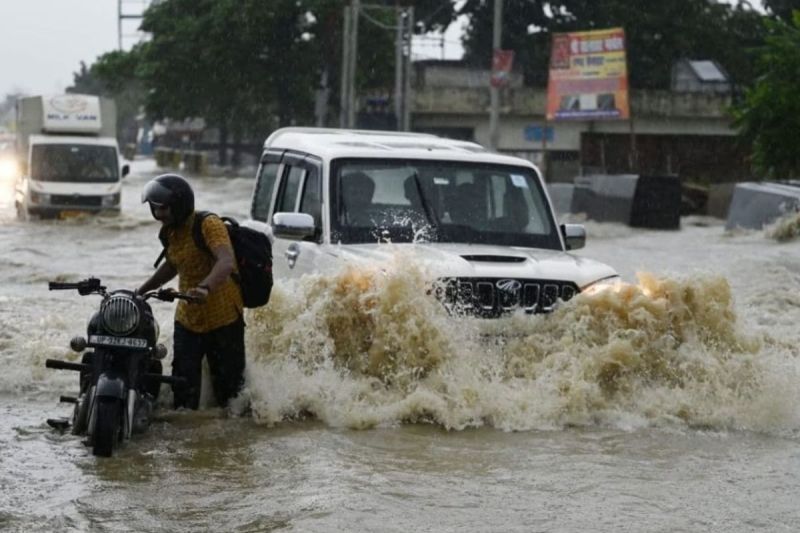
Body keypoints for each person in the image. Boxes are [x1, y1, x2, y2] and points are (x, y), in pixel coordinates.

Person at [137, 173, 245, 410]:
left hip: (223, 317)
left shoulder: (208, 224)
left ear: (179, 206)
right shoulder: (170, 231)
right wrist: (140, 292)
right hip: (188, 319)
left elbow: (226, 261)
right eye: (155, 209)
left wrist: (205, 287)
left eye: (162, 209)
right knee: (183, 394)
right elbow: (173, 264)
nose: (158, 215)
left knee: (230, 396)